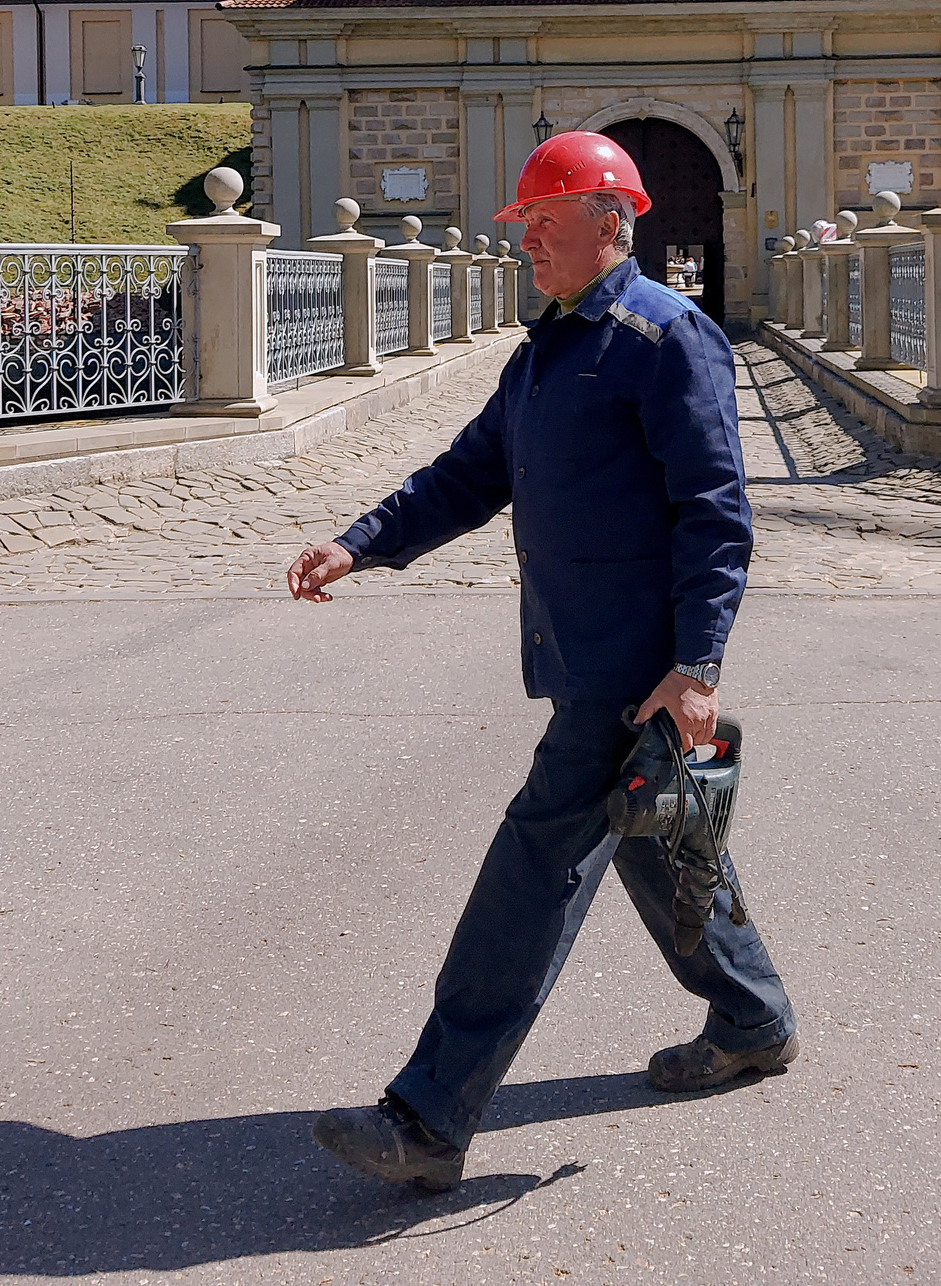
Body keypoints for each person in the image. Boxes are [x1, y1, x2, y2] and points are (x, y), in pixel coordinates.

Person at [285, 130, 798, 1193]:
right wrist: (362, 539)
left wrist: (695, 667)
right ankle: (753, 1017)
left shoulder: (668, 340)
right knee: (663, 843)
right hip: (590, 661)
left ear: (611, 225)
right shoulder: (548, 351)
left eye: (543, 227)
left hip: (632, 672)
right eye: (522, 230)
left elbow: (717, 513)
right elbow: (470, 472)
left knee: (532, 868)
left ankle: (429, 1113)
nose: (525, 246)